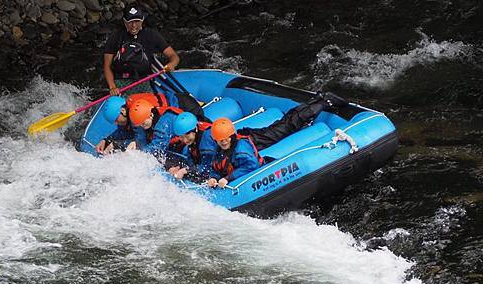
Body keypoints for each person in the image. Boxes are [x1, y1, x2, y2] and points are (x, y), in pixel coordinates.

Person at [207, 91, 348, 188]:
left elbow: (250, 164)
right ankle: (317, 100)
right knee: (285, 124)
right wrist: (213, 177)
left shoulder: (240, 149)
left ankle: (324, 102)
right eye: (221, 140)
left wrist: (228, 178)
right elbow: (216, 166)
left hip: (254, 140)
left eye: (225, 139)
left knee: (286, 126)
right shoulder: (218, 148)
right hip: (249, 139)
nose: (223, 142)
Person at [103, 4, 180, 96]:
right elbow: (107, 65)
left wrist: (172, 64)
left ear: (142, 20)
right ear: (124, 22)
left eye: (137, 21)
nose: (134, 25)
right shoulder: (116, 37)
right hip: (120, 81)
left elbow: (174, 56)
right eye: (130, 22)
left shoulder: (151, 35)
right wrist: (112, 87)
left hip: (144, 80)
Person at [166, 112, 218, 181]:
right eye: (181, 137)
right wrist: (176, 167)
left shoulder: (206, 139)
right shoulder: (192, 138)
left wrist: (185, 170)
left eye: (187, 136)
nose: (185, 140)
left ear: (195, 130)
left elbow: (207, 168)